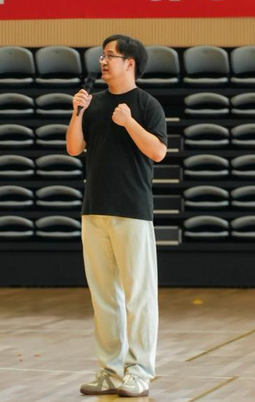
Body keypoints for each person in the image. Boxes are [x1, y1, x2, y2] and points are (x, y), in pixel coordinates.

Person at [66, 34, 167, 398]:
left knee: (138, 296)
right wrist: (77, 112)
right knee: (104, 296)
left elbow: (158, 152)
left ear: (130, 63)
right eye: (102, 55)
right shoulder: (93, 103)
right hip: (94, 210)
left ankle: (139, 371)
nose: (103, 61)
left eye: (111, 56)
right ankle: (109, 370)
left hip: (132, 211)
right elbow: (73, 147)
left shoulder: (146, 105)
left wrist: (129, 122)